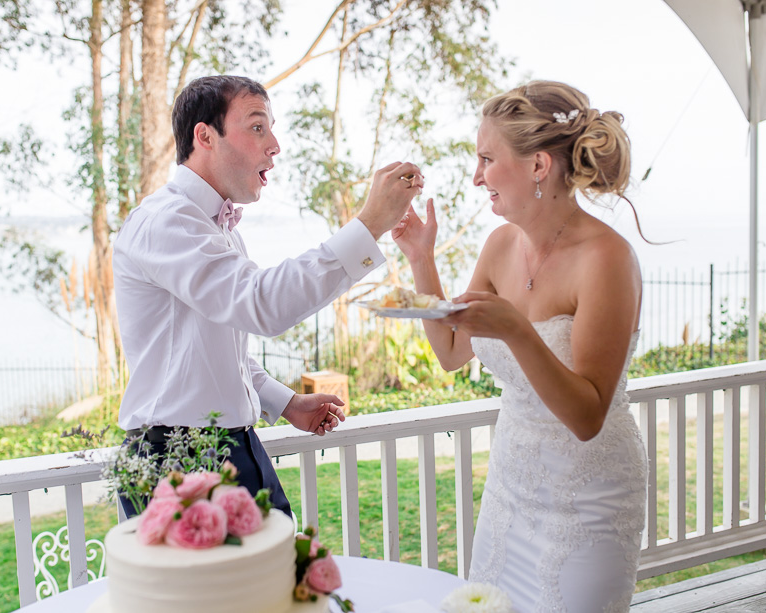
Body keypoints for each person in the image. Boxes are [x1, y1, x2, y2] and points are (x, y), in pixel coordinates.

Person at [113, 75, 423, 518]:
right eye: (258, 127)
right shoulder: (166, 221)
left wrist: (286, 403)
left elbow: (213, 350)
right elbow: (261, 305)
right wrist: (368, 225)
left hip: (237, 446)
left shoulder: (218, 230)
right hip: (177, 460)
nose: (275, 144)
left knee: (277, 579)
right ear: (205, 136)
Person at [392, 80, 647, 612]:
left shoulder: (606, 259)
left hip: (589, 501)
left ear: (538, 167)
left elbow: (587, 416)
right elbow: (452, 352)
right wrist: (422, 258)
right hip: (510, 492)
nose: (477, 175)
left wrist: (518, 331)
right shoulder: (501, 244)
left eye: (487, 158)